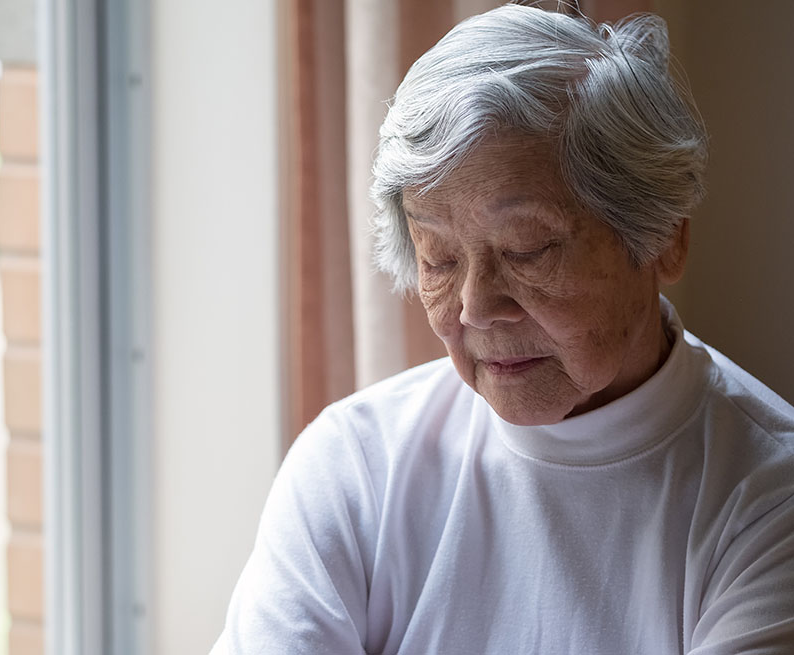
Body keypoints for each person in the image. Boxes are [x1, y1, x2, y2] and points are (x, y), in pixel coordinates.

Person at [210, 5, 794, 655]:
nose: (475, 306)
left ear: (663, 238)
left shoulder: (770, 497)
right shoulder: (354, 463)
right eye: (439, 259)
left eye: (527, 248)